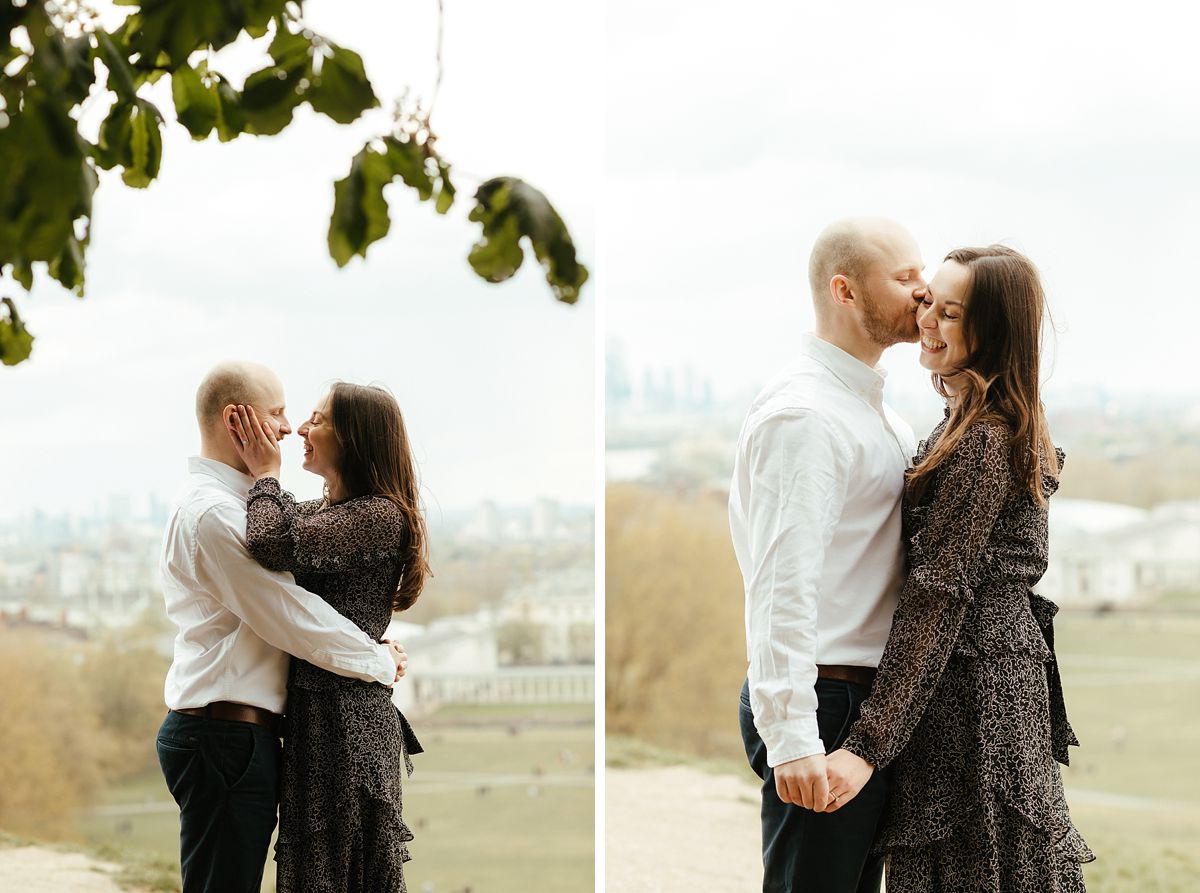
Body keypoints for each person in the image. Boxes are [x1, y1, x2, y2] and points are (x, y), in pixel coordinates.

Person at [824, 246, 1095, 891]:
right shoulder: (981, 421)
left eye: (950, 313)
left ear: (992, 330)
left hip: (972, 709)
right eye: (928, 305)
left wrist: (867, 747)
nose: (928, 322)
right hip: (993, 687)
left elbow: (937, 598)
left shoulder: (983, 440)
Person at [157, 361, 408, 893]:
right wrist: (376, 658)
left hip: (236, 733)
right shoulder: (215, 516)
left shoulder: (231, 506)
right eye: (277, 413)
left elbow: (302, 585)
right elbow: (290, 616)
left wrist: (368, 640)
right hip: (225, 735)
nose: (288, 428)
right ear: (235, 420)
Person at [729, 217, 926, 892]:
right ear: (844, 289)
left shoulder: (876, 413)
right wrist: (791, 736)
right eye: (904, 277)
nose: (923, 292)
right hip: (823, 701)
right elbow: (783, 585)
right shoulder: (808, 416)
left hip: (860, 705)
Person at [229, 381, 430, 893]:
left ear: (354, 438)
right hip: (315, 716)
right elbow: (274, 526)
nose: (299, 428)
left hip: (346, 723)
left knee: (339, 871)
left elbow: (270, 540)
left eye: (316, 420)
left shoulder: (378, 516)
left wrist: (267, 474)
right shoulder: (327, 513)